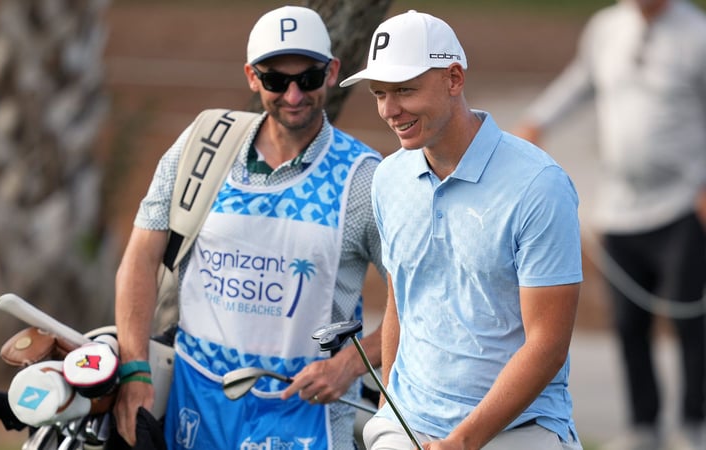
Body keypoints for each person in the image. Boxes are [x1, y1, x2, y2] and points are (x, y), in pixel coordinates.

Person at [111, 5, 386, 450]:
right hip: (195, 409)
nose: (294, 95)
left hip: (308, 419)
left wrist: (349, 366)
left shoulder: (364, 178)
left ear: (333, 72)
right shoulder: (202, 146)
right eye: (277, 80)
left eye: (309, 78)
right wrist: (134, 369)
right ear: (252, 77)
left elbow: (418, 301)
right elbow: (140, 259)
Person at [338, 10, 584, 450]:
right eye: (379, 93)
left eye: (405, 90)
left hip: (519, 431)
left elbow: (548, 344)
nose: (390, 110)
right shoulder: (388, 177)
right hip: (407, 424)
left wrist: (464, 441)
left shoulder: (539, 185)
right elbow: (402, 297)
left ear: (453, 78)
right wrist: (389, 407)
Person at [513, 1, 706, 448]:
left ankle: (693, 422)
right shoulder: (606, 27)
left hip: (682, 204)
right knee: (628, 322)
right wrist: (537, 121)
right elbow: (581, 82)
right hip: (619, 207)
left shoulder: (697, 33)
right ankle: (644, 425)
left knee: (687, 320)